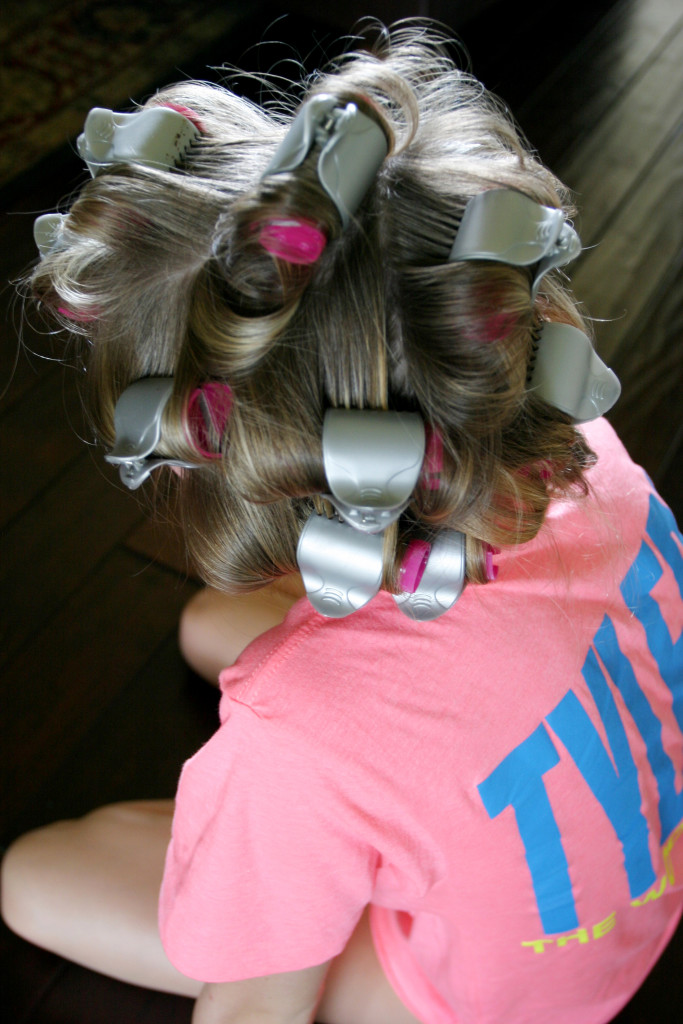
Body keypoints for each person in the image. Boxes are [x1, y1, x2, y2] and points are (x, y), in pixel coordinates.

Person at [2, 23, 683, 1024]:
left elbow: (248, 1011)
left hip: (485, 994)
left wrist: (270, 828)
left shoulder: (301, 731)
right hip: (624, 868)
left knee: (34, 876)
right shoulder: (581, 442)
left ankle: (320, 869)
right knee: (212, 631)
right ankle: (340, 845)